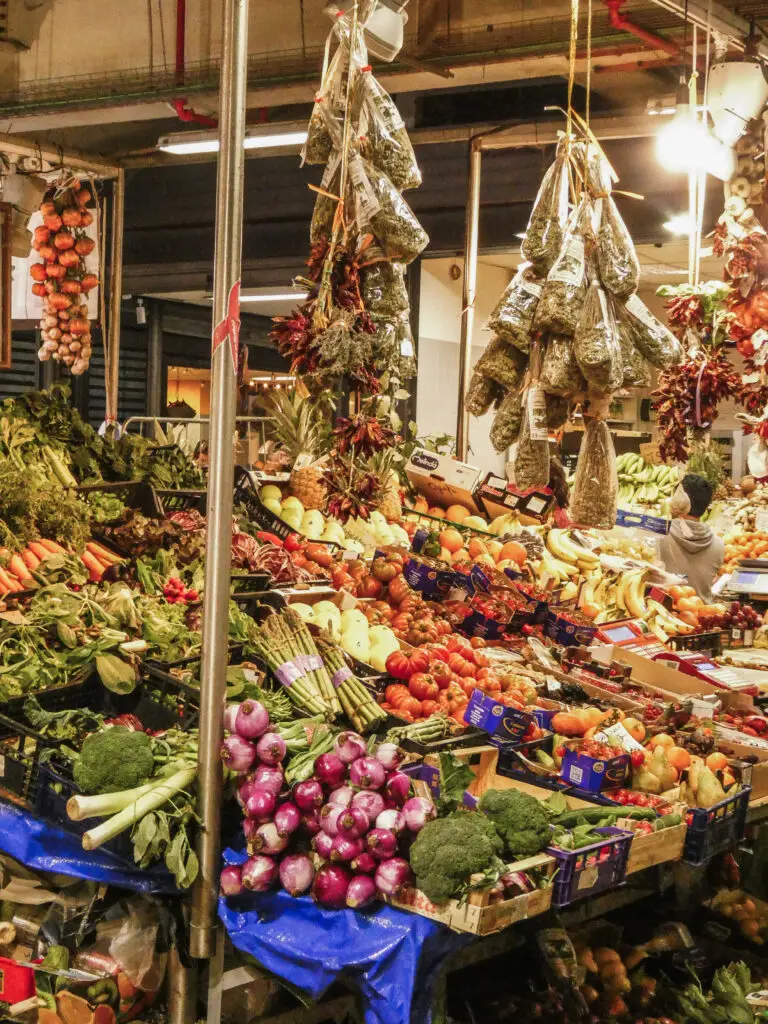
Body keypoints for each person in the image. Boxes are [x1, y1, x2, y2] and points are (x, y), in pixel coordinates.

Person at [658, 473, 724, 602]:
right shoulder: (719, 545)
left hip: (661, 613)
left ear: (677, 500)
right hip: (703, 615)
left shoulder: (658, 535)